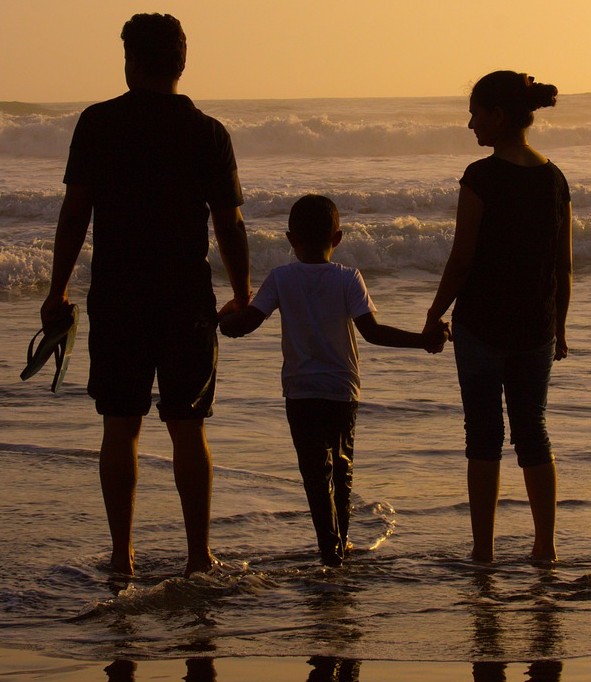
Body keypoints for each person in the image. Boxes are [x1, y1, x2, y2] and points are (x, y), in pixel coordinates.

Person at [40, 13, 251, 577]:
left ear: (130, 61)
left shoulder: (98, 123)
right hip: (185, 297)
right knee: (188, 426)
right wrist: (243, 293)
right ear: (182, 63)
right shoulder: (207, 131)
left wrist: (57, 290)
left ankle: (122, 554)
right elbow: (229, 224)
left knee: (120, 424)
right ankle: (198, 555)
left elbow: (75, 212)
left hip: (118, 294)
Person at [220, 194, 449, 566]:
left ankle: (329, 550)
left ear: (290, 239)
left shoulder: (281, 277)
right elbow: (373, 333)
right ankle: (340, 544)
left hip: (301, 390)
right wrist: (422, 341)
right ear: (338, 238)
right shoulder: (348, 278)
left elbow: (242, 327)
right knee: (342, 469)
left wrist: (221, 316)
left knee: (315, 473)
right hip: (343, 390)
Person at [423, 71, 572, 563]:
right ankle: (545, 547)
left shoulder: (481, 176)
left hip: (482, 327)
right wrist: (562, 325)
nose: (470, 124)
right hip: (536, 328)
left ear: (498, 116)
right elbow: (562, 264)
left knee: (483, 436)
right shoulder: (554, 178)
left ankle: (483, 551)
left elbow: (461, 259)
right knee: (534, 431)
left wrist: (434, 312)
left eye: (475, 114)